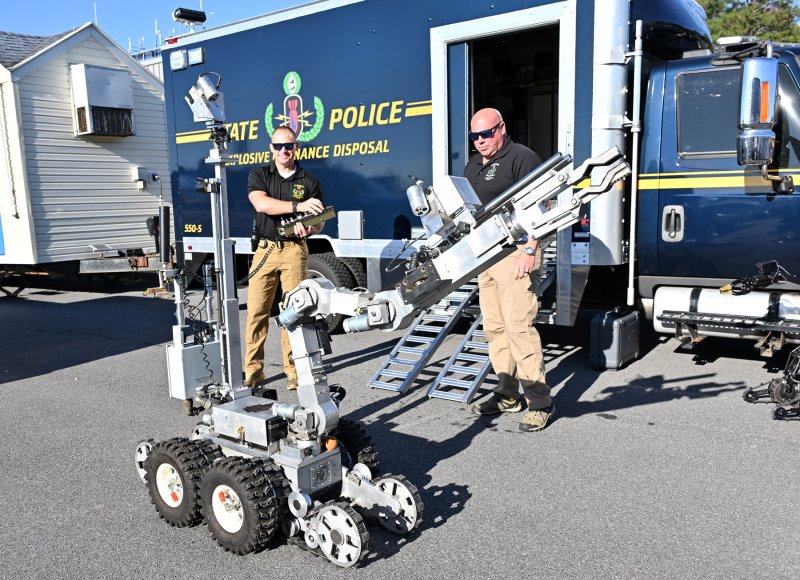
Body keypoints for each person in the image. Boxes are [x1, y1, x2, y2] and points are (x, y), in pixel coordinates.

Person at [464, 108, 554, 432]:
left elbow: (544, 207)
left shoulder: (522, 158)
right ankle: (507, 393)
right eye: (474, 136)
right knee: (495, 329)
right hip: (486, 257)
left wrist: (531, 248)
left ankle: (540, 402)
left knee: (519, 328)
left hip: (516, 253)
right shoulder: (473, 165)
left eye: (486, 134)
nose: (480, 142)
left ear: (502, 128)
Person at [243, 126, 326, 391]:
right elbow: (261, 204)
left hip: (294, 250)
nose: (283, 151)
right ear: (271, 148)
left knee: (294, 314)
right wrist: (298, 207)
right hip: (265, 250)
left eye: (288, 146)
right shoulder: (259, 174)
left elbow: (319, 222)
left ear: (296, 147)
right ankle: (253, 373)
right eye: (278, 146)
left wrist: (311, 227)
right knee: (256, 312)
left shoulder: (309, 181)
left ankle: (295, 372)